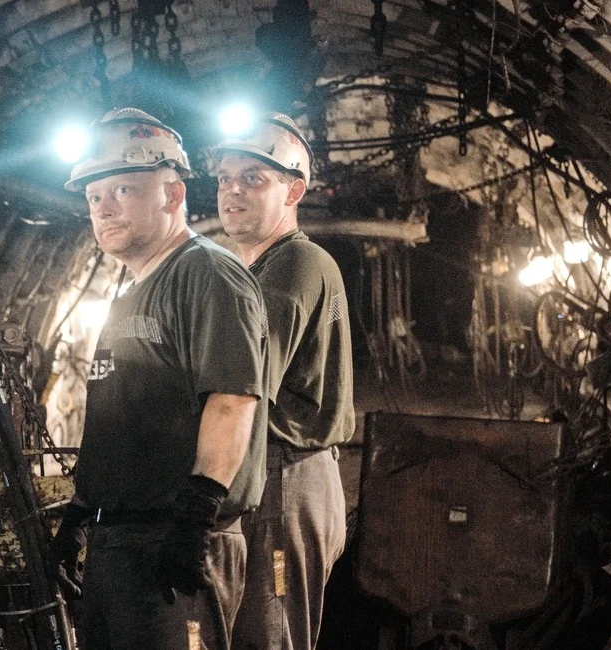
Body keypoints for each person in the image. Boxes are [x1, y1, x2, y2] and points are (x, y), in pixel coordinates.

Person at [49, 107, 269, 650]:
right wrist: (82, 511)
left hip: (173, 540)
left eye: (123, 190)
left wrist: (195, 517)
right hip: (119, 542)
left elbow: (232, 401)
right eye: (94, 197)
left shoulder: (208, 274)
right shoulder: (130, 293)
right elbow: (125, 418)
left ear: (173, 194)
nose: (104, 208)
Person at [212, 113, 355, 650]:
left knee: (269, 638)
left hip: (284, 481)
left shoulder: (294, 265)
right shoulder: (266, 268)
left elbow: (240, 383)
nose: (233, 190)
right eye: (225, 178)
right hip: (282, 478)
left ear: (293, 190)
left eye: (253, 178)